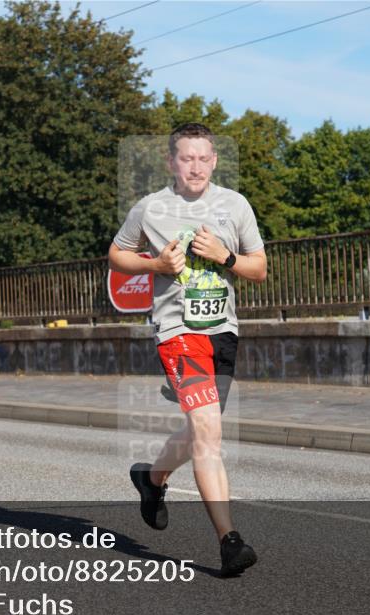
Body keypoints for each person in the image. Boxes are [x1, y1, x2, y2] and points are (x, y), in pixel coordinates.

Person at [109, 123, 268, 577]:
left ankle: (152, 478)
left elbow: (258, 269)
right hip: (178, 333)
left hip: (223, 331)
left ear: (214, 161)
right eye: (186, 158)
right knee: (208, 432)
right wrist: (155, 263)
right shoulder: (151, 208)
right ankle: (229, 541)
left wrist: (226, 257)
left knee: (204, 430)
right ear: (171, 162)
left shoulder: (234, 205)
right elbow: (118, 254)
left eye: (203, 158)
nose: (195, 167)